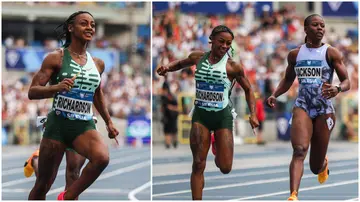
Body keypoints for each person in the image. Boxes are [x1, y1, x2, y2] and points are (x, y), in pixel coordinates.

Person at [157, 25, 259, 200]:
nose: (225, 46)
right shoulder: (198, 57)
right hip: (201, 116)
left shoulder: (233, 67)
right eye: (221, 42)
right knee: (198, 164)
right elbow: (181, 64)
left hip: (222, 116)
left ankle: (215, 142)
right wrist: (167, 68)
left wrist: (253, 114)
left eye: (228, 43)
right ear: (211, 40)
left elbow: (249, 90)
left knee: (225, 167)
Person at [27, 11, 119, 200]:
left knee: (96, 161)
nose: (90, 28)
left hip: (83, 125)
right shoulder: (56, 58)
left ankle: (66, 197)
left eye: (92, 25)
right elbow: (32, 91)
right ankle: (36, 162)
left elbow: (97, 93)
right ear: (71, 28)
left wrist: (109, 122)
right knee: (43, 184)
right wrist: (56, 88)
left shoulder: (98, 64)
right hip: (58, 125)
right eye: (84, 24)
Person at [266, 14, 350, 201]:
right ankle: (293, 195)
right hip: (303, 105)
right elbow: (288, 79)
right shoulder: (295, 54)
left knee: (315, 167)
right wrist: (274, 94)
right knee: (299, 150)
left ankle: (322, 163)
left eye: (322, 25)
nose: (320, 28)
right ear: (305, 29)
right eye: (315, 25)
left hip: (324, 109)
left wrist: (337, 88)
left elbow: (346, 81)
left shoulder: (331, 53)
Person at [23, 116, 98, 200]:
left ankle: (38, 161)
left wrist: (106, 120)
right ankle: (37, 162)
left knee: (74, 172)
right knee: (45, 181)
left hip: (81, 120)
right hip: (58, 119)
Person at [161, 81, 179, 149]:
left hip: (172, 116)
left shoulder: (170, 96)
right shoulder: (164, 97)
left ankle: (173, 142)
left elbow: (176, 107)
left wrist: (170, 107)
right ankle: (168, 143)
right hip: (167, 116)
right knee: (168, 131)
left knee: (172, 130)